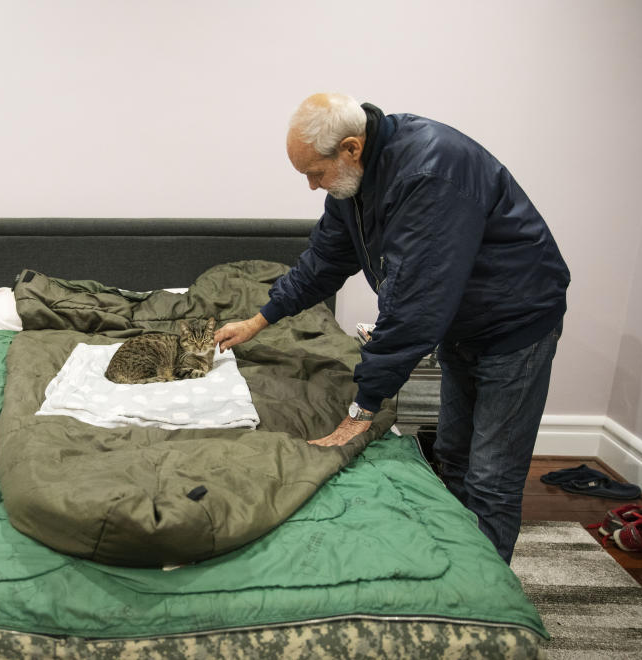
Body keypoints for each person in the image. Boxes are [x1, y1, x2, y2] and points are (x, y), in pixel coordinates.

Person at [214, 93, 570, 563]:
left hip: (515, 322)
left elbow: (413, 307)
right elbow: (323, 262)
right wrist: (260, 319)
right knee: (454, 454)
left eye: (314, 174)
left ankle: (483, 600)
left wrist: (362, 408)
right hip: (461, 323)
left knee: (492, 476)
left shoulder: (429, 174)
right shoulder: (354, 186)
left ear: (350, 148)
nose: (311, 186)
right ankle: (458, 559)